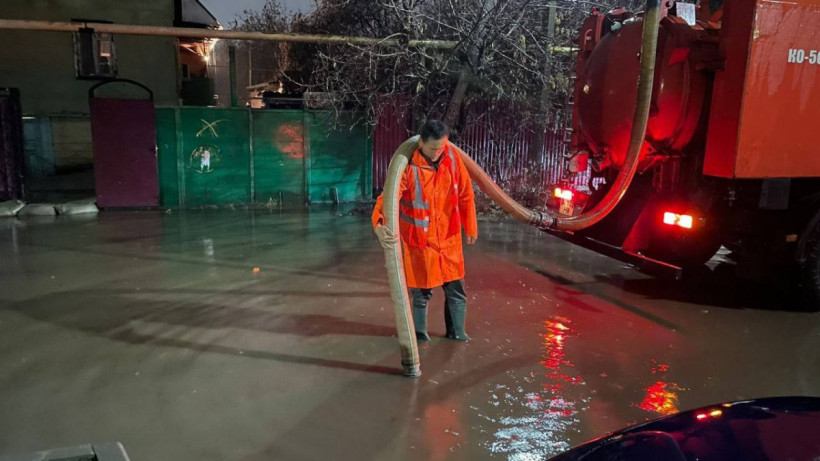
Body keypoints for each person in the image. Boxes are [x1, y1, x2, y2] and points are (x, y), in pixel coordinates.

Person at [372, 120, 478, 342]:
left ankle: (458, 333)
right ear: (420, 143)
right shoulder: (407, 166)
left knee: (456, 290)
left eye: (441, 147)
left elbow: (466, 194)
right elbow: (387, 198)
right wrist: (379, 224)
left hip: (449, 241)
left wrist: (470, 226)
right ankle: (419, 336)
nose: (437, 153)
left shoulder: (453, 160)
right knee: (421, 294)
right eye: (432, 149)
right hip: (420, 243)